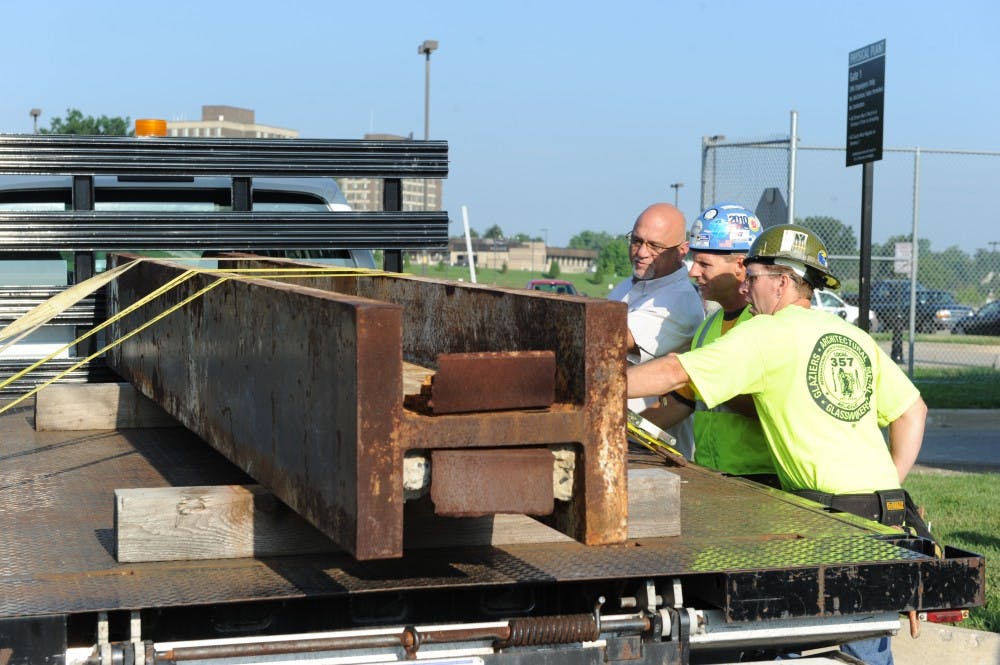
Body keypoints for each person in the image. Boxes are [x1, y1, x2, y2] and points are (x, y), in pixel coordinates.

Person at [627, 223, 929, 665]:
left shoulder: (767, 333)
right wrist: (886, 486)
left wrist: (593, 384)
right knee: (865, 646)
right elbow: (912, 411)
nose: (746, 288)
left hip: (825, 522)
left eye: (752, 277)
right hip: (885, 516)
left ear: (782, 281)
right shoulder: (853, 337)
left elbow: (676, 371)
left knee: (804, 644)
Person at [642, 203, 776, 482]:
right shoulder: (707, 328)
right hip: (712, 473)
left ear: (740, 265)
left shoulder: (767, 326)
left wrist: (710, 380)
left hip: (762, 479)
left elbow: (771, 406)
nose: (692, 271)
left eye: (704, 263)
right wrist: (624, 430)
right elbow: (681, 403)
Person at [609, 202, 705, 458]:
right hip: (619, 440)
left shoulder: (679, 302)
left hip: (652, 451)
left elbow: (608, 341)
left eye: (655, 246)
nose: (641, 252)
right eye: (636, 240)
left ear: (682, 251)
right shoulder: (626, 287)